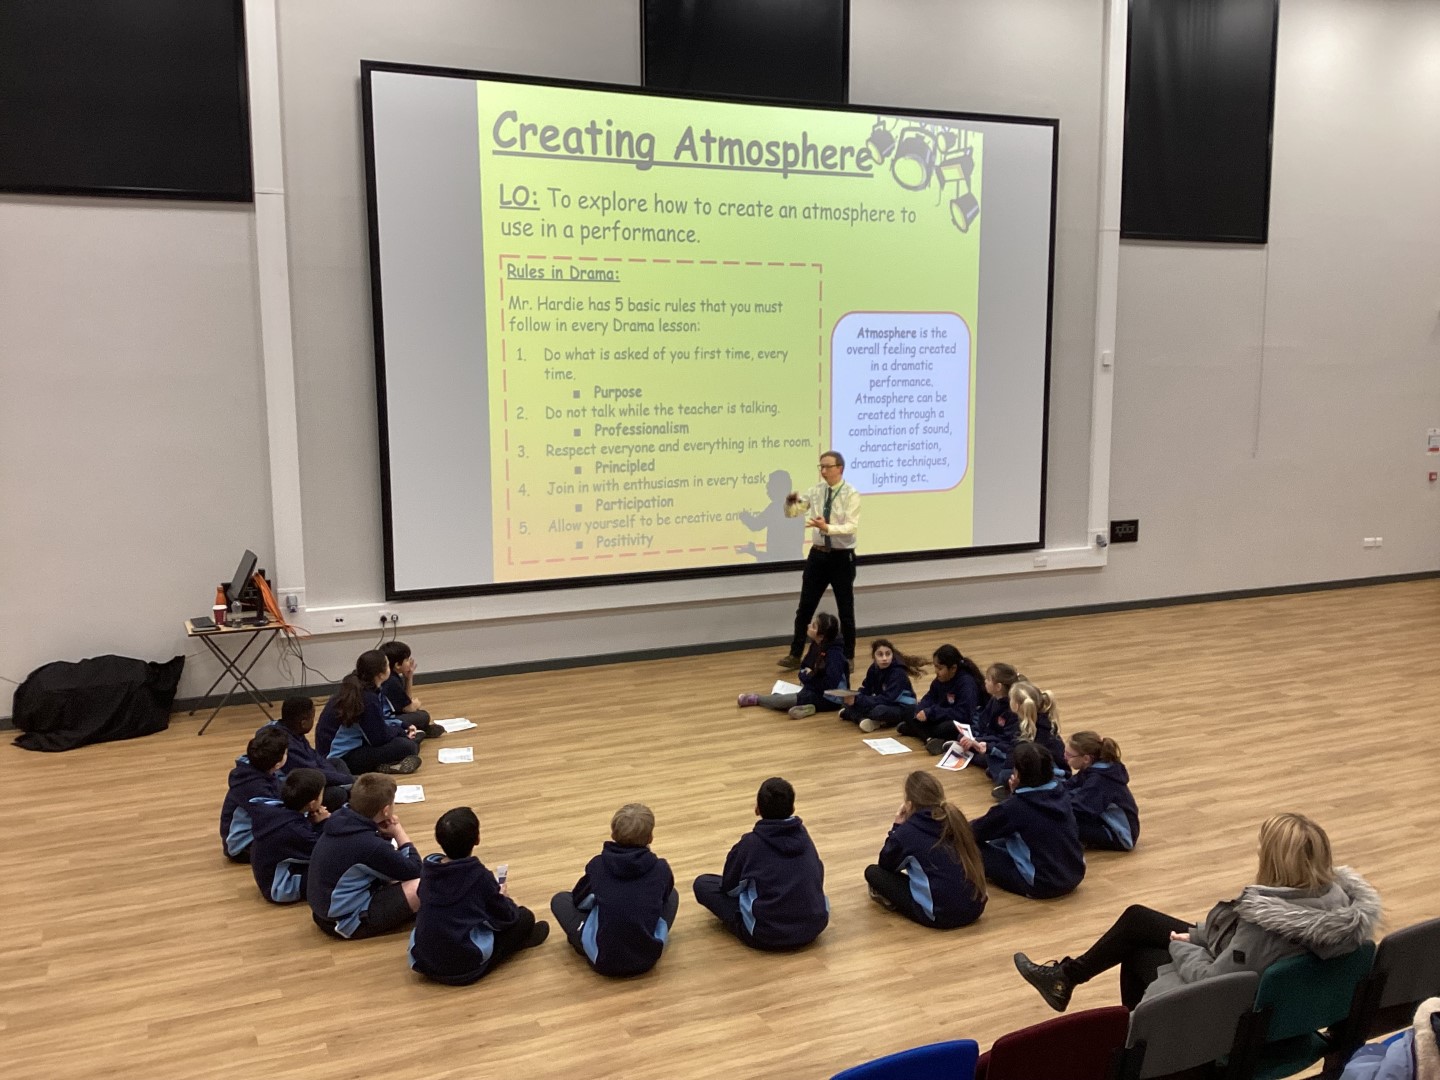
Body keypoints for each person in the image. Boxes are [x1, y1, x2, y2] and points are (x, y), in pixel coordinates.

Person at [1014, 812, 1383, 1011]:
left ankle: (1140, 1046)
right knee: (1139, 919)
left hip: (1232, 1008)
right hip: (1273, 991)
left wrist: (1182, 945)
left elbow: (1216, 981)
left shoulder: (1265, 925)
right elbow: (1244, 951)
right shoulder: (1339, 901)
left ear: (1274, 861)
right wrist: (1197, 935)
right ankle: (1065, 978)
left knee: (1138, 953)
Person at [408, 807, 549, 985]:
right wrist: (503, 897)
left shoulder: (429, 869)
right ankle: (518, 944)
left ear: (438, 839)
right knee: (525, 917)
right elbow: (506, 918)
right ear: (477, 839)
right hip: (463, 968)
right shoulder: (479, 876)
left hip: (424, 961)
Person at [693, 777, 830, 950]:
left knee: (703, 884)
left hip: (767, 934)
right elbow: (818, 874)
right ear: (793, 808)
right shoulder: (805, 837)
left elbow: (729, 888)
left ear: (757, 809)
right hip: (813, 928)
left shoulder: (750, 844)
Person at [550, 803, 679, 977]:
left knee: (560, 900)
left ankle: (582, 942)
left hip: (604, 961)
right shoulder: (661, 869)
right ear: (650, 838)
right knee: (672, 895)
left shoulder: (598, 865)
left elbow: (579, 901)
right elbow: (664, 898)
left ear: (613, 834)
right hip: (647, 959)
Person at [864, 770, 987, 929]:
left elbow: (886, 864)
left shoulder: (907, 832)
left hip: (941, 916)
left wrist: (896, 828)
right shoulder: (956, 819)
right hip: (976, 909)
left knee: (873, 873)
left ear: (909, 805)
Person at [307, 772, 422, 939]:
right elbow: (416, 870)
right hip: (345, 921)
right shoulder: (369, 844)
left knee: (394, 872)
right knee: (423, 886)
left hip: (324, 911)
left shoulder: (340, 818)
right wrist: (398, 832)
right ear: (386, 810)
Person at [971, 742, 1086, 900]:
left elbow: (975, 831)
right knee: (1003, 838)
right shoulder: (1061, 792)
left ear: (1017, 774)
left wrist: (1013, 796)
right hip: (1075, 873)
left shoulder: (1014, 807)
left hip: (1042, 884)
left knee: (967, 845)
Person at [777, 450, 860, 668]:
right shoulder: (816, 491)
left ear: (839, 468)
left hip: (842, 558)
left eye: (827, 467)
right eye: (820, 467)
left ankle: (848, 656)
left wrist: (827, 527)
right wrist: (790, 501)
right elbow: (792, 513)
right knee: (805, 607)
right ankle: (795, 654)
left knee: (845, 610)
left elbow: (851, 527)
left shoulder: (851, 494)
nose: (823, 471)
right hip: (818, 556)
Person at [314, 651, 422, 775]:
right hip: (339, 759)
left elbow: (378, 722)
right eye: (387, 665)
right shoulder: (367, 697)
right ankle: (387, 763)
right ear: (380, 674)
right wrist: (400, 731)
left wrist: (402, 726)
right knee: (408, 746)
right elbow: (378, 738)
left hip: (347, 745)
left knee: (406, 738)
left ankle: (392, 760)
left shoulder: (359, 687)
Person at [738, 612, 849, 719]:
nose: (809, 626)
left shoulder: (835, 655)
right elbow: (805, 665)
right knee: (785, 694)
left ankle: (757, 699)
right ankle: (810, 707)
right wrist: (807, 676)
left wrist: (809, 677)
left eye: (813, 627)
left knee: (782, 701)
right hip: (815, 687)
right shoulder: (817, 644)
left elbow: (829, 685)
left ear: (821, 636)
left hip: (831, 698)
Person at [248, 767, 327, 903]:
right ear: (312, 803)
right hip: (280, 887)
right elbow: (322, 850)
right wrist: (322, 823)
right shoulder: (294, 831)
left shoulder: (277, 811)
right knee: (333, 869)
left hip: (270, 876)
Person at [264, 696, 352, 812]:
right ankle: (351, 794)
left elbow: (315, 756)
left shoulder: (292, 731)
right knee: (337, 793)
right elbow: (312, 773)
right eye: (312, 718)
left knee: (336, 762)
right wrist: (346, 779)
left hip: (311, 774)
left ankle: (350, 791)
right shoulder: (285, 744)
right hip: (297, 790)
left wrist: (338, 777)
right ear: (303, 723)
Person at [219, 726, 289, 863]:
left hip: (254, 832)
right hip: (241, 847)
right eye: (286, 752)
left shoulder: (255, 769)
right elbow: (274, 818)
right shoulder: (254, 786)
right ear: (277, 764)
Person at [894, 645, 983, 752]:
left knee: (948, 728)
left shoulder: (966, 684)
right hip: (940, 715)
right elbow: (930, 697)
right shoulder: (941, 678)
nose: (936, 671)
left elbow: (963, 715)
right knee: (908, 709)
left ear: (953, 668)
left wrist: (931, 713)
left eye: (940, 668)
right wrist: (920, 709)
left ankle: (921, 733)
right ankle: (926, 735)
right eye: (935, 667)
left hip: (959, 721)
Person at [984, 681, 1067, 793]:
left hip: (1052, 773)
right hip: (1052, 768)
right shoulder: (1045, 721)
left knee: (1002, 773)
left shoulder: (1025, 730)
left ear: (1015, 706)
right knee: (993, 757)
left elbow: (1015, 754)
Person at [1063, 731, 1140, 851]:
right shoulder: (1092, 769)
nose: (1064, 757)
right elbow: (1068, 786)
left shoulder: (1100, 780)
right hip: (1102, 820)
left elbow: (1081, 809)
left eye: (1069, 755)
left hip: (1119, 835)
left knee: (1057, 822)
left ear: (1086, 758)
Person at [835, 638, 924, 733]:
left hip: (902, 706)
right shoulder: (873, 668)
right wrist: (854, 696)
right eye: (880, 654)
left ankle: (856, 715)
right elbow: (867, 688)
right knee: (851, 702)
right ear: (874, 656)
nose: (884, 658)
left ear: (892, 655)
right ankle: (868, 719)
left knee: (878, 711)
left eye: (888, 654)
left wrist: (858, 700)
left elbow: (888, 699)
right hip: (884, 701)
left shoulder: (898, 673)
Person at [955, 662, 1023, 773]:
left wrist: (978, 741)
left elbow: (1006, 740)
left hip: (999, 746)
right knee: (961, 736)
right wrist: (972, 735)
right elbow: (982, 722)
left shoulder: (1012, 710)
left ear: (998, 687)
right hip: (986, 740)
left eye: (988, 679)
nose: (985, 681)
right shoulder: (994, 699)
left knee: (987, 757)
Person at [378, 641, 444, 739]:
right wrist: (415, 705)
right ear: (398, 665)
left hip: (390, 715)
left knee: (418, 715)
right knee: (423, 716)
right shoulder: (392, 681)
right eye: (407, 660)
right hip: (386, 720)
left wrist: (408, 678)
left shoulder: (393, 677)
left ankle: (420, 730)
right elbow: (408, 709)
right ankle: (418, 732)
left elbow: (405, 703)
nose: (410, 662)